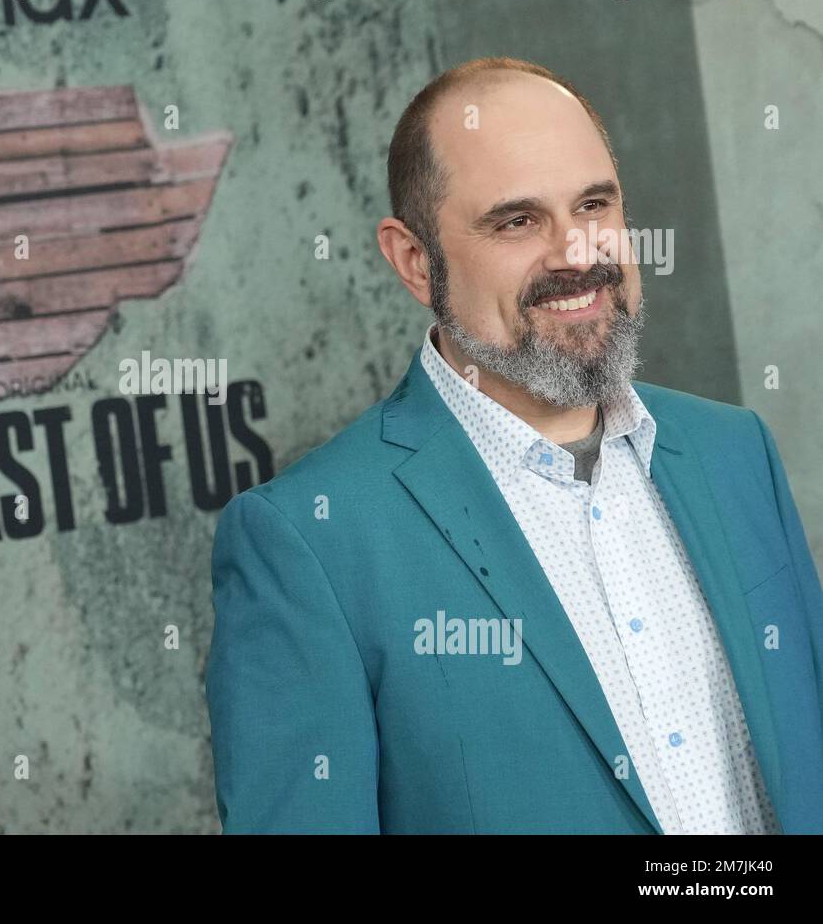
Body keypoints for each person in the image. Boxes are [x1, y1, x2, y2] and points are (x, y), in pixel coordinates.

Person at [204, 57, 823, 834]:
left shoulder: (737, 454)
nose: (575, 253)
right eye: (517, 221)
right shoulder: (309, 542)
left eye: (594, 204)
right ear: (414, 260)